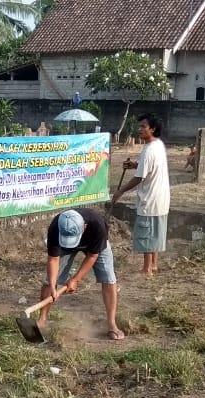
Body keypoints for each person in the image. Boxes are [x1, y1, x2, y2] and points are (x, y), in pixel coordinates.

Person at [38, 208, 124, 340]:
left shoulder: (97, 225)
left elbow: (92, 256)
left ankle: (112, 324)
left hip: (94, 244)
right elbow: (53, 259)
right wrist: (52, 284)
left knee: (109, 279)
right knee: (48, 282)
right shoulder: (56, 227)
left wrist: (75, 279)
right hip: (65, 246)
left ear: (83, 228)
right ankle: (42, 320)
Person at [112, 114, 170, 277]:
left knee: (146, 234)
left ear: (152, 129)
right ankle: (153, 264)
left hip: (151, 199)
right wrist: (134, 165)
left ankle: (146, 269)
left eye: (143, 126)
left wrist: (120, 191)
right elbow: (147, 167)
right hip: (160, 197)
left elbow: (139, 177)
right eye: (140, 126)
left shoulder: (149, 149)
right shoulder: (158, 145)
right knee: (154, 233)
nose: (140, 129)